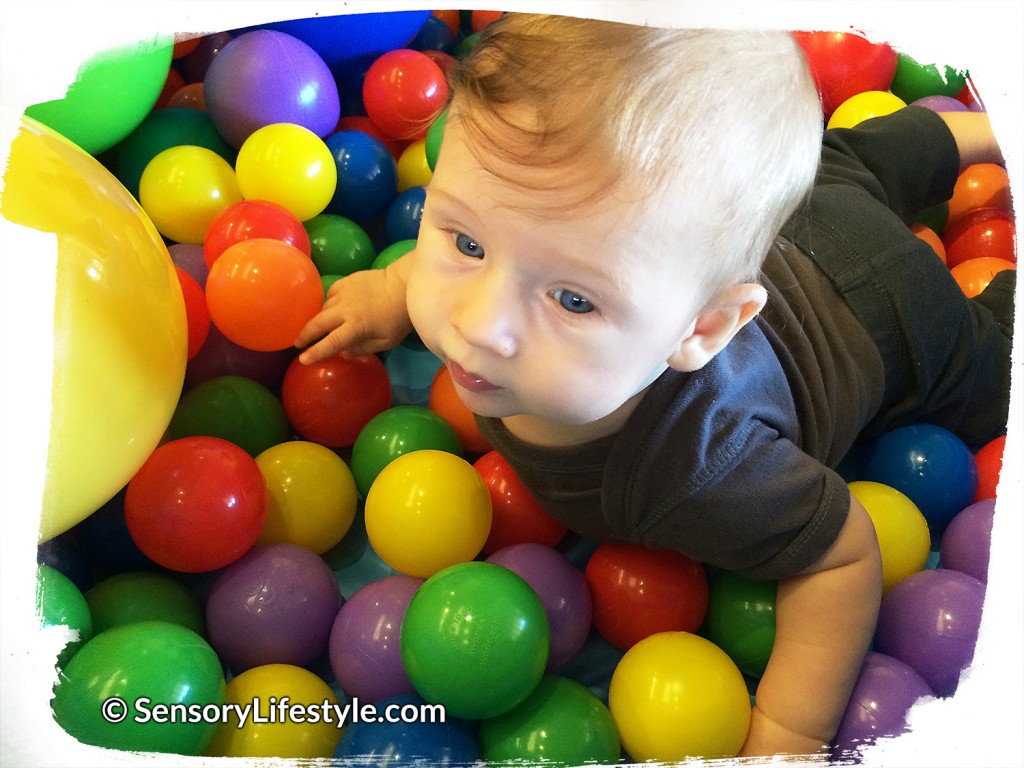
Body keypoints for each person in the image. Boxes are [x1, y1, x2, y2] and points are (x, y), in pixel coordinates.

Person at [295, 13, 1014, 758]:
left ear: (700, 330)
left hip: (893, 315)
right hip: (812, 208)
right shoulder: (547, 264)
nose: (476, 327)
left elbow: (842, 554)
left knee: (997, 373)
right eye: (467, 243)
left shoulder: (703, 470)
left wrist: (788, 733)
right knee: (858, 161)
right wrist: (390, 285)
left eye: (574, 300)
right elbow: (508, 247)